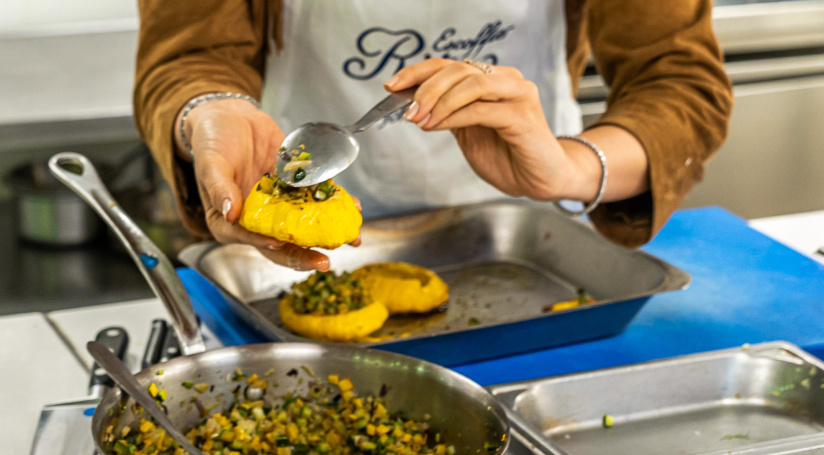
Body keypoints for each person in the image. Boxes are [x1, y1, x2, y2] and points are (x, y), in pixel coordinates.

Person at [134, 0, 732, 272]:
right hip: (300, 242)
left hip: (531, 245)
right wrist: (212, 110)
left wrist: (570, 168)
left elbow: (677, 81)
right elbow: (189, 54)